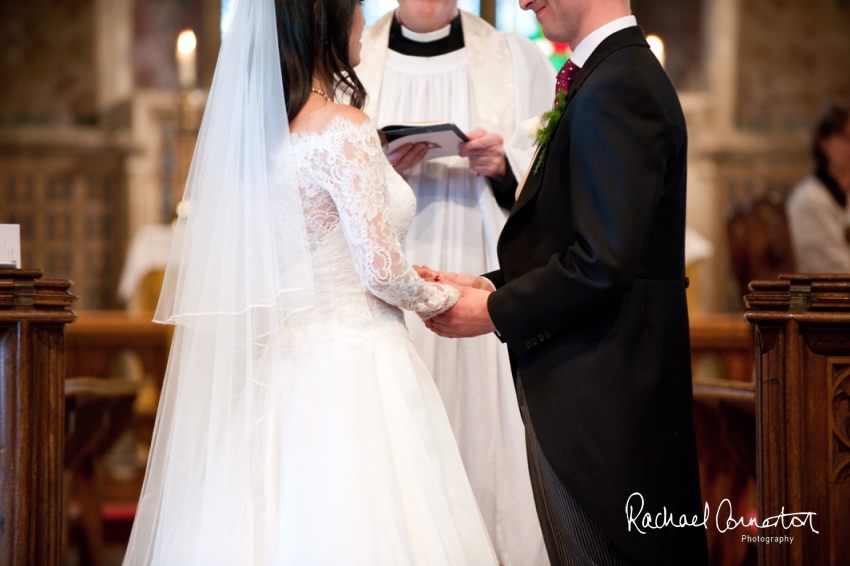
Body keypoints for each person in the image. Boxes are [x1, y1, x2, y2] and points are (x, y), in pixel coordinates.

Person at [122, 0, 499, 562]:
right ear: (322, 23)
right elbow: (378, 272)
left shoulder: (274, 134)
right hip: (357, 368)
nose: (362, 25)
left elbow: (317, 250)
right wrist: (452, 296)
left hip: (288, 371)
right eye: (355, 12)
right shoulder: (342, 126)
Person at [420, 0, 710, 563]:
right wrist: (489, 286)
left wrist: (494, 313)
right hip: (591, 396)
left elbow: (603, 262)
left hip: (604, 412)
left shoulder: (619, 85)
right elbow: (577, 244)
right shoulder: (608, 76)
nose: (525, 1)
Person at [356, 4, 554, 563]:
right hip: (390, 269)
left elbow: (554, 164)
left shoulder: (515, 57)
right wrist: (378, 167)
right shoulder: (354, 55)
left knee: (484, 435)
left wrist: (507, 161)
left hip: (480, 264)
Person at [786, 101, 850, 273]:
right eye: (846, 139)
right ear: (823, 142)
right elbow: (834, 267)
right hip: (822, 296)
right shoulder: (808, 200)